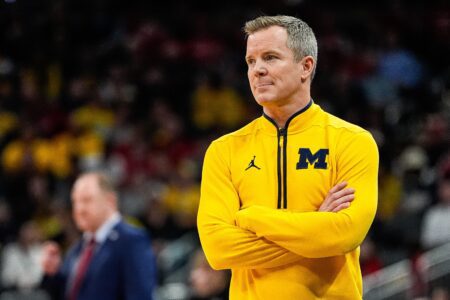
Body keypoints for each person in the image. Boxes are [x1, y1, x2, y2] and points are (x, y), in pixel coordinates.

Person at [197, 15, 379, 299]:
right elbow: (218, 250)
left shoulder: (353, 141)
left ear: (305, 66)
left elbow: (344, 234)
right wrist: (315, 226)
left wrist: (253, 218)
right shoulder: (224, 150)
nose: (257, 70)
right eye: (251, 61)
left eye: (270, 58)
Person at [40, 171, 156, 300]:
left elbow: (139, 295)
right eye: (75, 202)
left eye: (87, 200)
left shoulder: (131, 241)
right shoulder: (78, 248)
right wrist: (53, 273)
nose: (80, 209)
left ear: (110, 201)